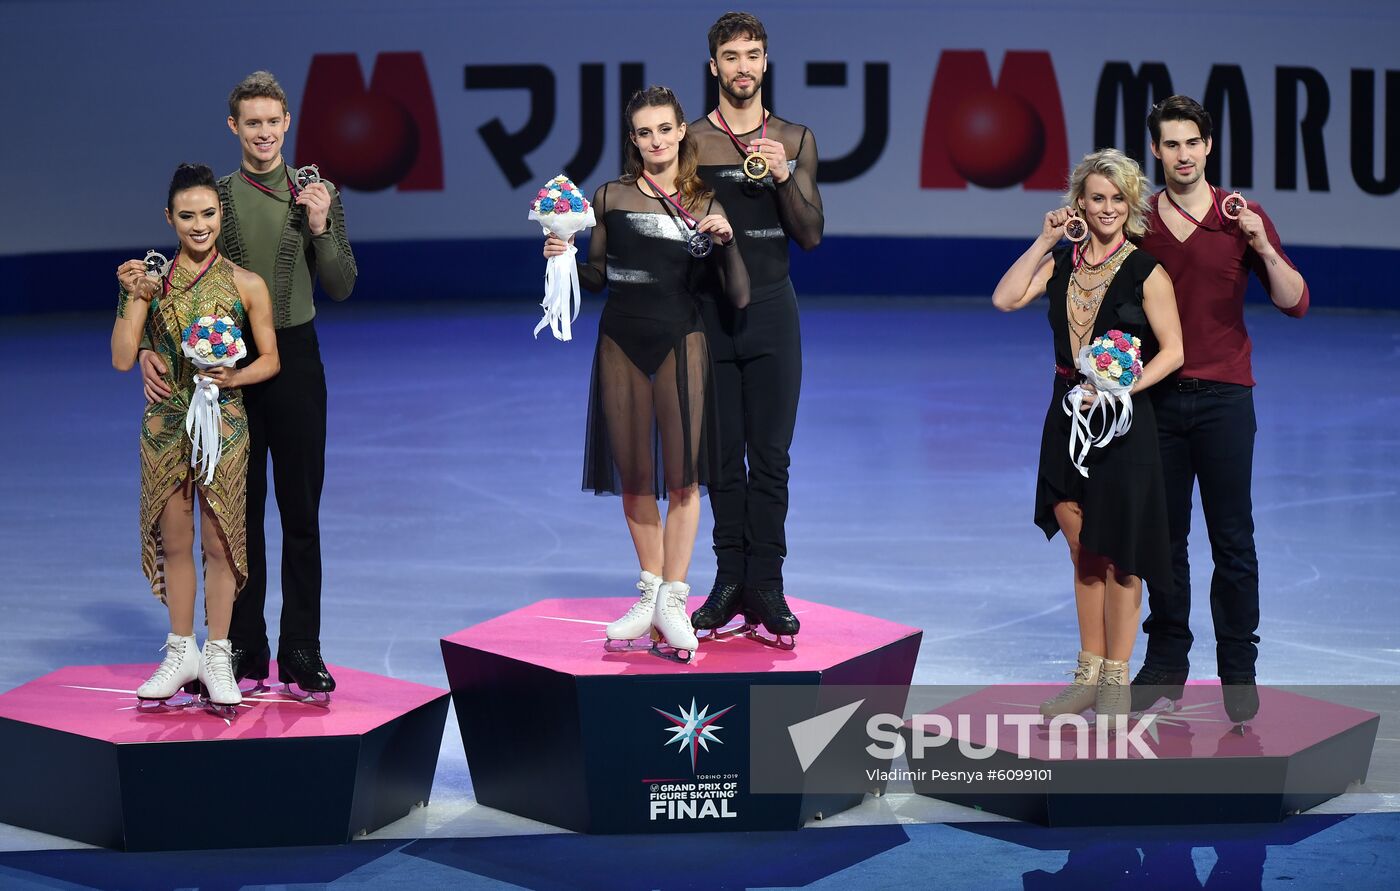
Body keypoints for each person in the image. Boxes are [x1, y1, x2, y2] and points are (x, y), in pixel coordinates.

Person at [135, 71, 356, 700]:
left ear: (287, 124)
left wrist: (320, 226)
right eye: (250, 122)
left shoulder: (315, 194)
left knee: (300, 512)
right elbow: (176, 282)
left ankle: (302, 652)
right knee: (235, 515)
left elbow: (341, 284)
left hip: (295, 360)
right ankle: (241, 652)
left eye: (273, 121)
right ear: (234, 128)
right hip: (221, 371)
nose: (263, 132)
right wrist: (153, 344)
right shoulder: (218, 197)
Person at [545, 86, 749, 663]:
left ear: (682, 131)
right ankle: (651, 592)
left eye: (665, 129)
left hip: (681, 343)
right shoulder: (609, 196)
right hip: (620, 343)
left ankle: (675, 601)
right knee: (635, 477)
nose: (656, 140)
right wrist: (564, 258)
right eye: (644, 132)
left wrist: (727, 244)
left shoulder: (706, 199)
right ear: (633, 140)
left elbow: (738, 293)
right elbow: (597, 277)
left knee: (684, 479)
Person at [1133, 96, 1309, 723]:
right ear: (1155, 151)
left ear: (1208, 146)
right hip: (1155, 399)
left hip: (1226, 399)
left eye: (1192, 143)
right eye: (1170, 144)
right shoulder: (1137, 220)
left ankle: (1238, 666)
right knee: (1165, 538)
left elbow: (1295, 301)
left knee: (1233, 538)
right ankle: (1166, 663)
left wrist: (1261, 244)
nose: (1182, 155)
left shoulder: (1242, 216)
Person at [992, 149, 1183, 717]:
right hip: (1067, 417)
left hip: (1123, 425)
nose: (1106, 209)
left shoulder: (1147, 272)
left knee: (1123, 554)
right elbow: (1004, 298)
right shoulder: (1062, 266)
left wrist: (1124, 390)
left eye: (1117, 199)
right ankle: (1088, 673)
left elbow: (1174, 352)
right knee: (1084, 551)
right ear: (1079, 203)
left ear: (1131, 205)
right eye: (1096, 198)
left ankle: (1117, 682)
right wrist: (1043, 241)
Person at [112, 163, 279, 715]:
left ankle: (218, 655)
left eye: (208, 213)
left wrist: (233, 376)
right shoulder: (150, 282)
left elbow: (270, 359)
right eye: (187, 215)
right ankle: (181, 650)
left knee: (220, 541)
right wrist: (137, 327)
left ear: (220, 215)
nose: (199, 224)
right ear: (170, 218)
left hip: (224, 425)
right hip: (165, 426)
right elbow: (119, 356)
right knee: (176, 540)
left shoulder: (245, 283)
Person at [686, 11, 823, 647]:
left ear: (767, 63)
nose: (744, 67)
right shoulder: (688, 142)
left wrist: (786, 175)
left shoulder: (795, 138)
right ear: (714, 66)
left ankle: (767, 583)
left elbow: (811, 234)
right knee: (720, 461)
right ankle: (727, 580)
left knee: (770, 459)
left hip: (773, 313)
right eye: (732, 56)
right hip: (708, 317)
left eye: (754, 55)